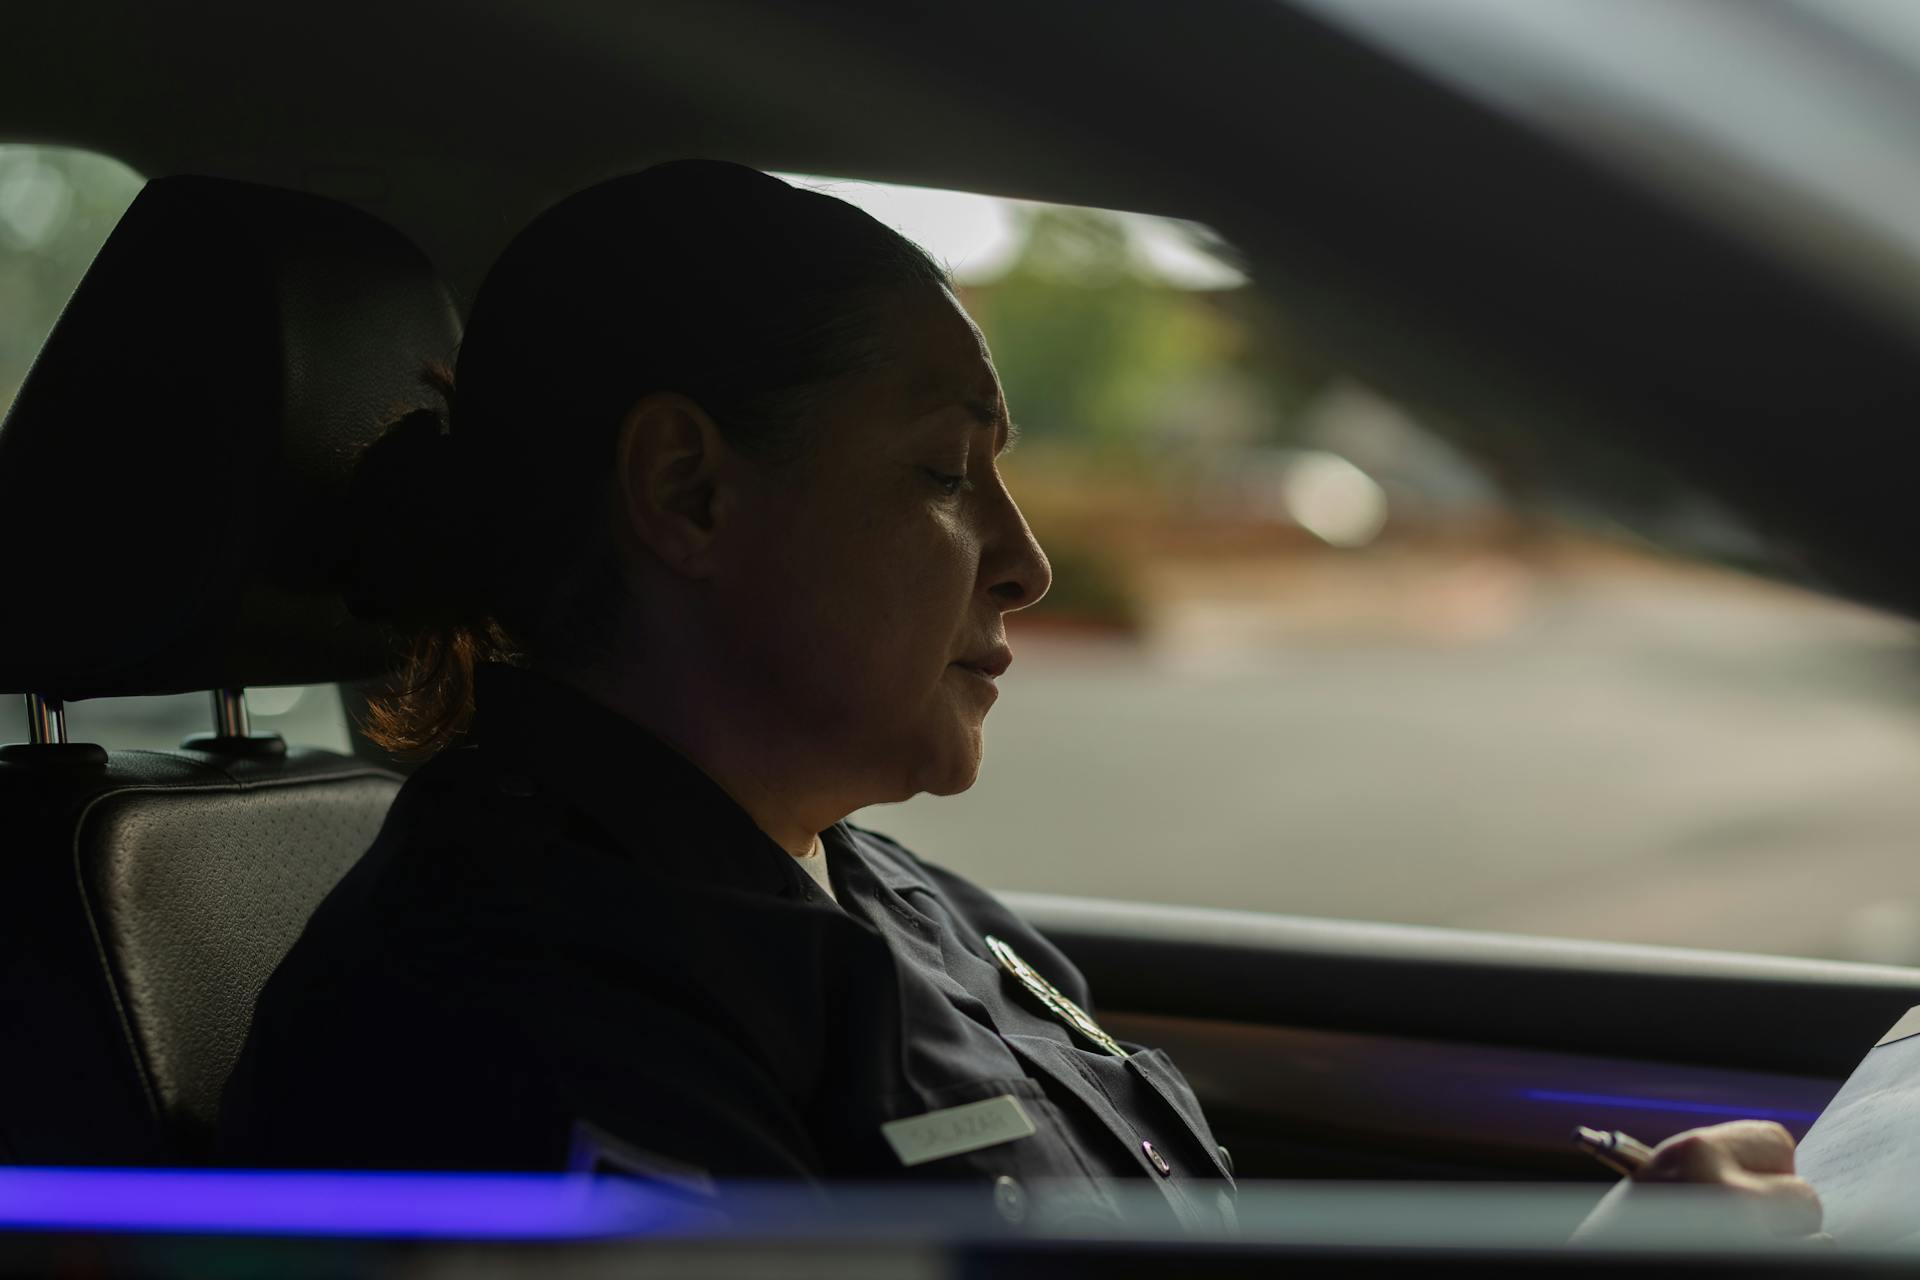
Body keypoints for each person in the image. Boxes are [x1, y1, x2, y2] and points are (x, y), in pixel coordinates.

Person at [219, 159, 1820, 1238]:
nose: (1030, 563)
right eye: (941, 473)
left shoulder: (881, 898)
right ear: (689, 494)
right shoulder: (512, 1028)